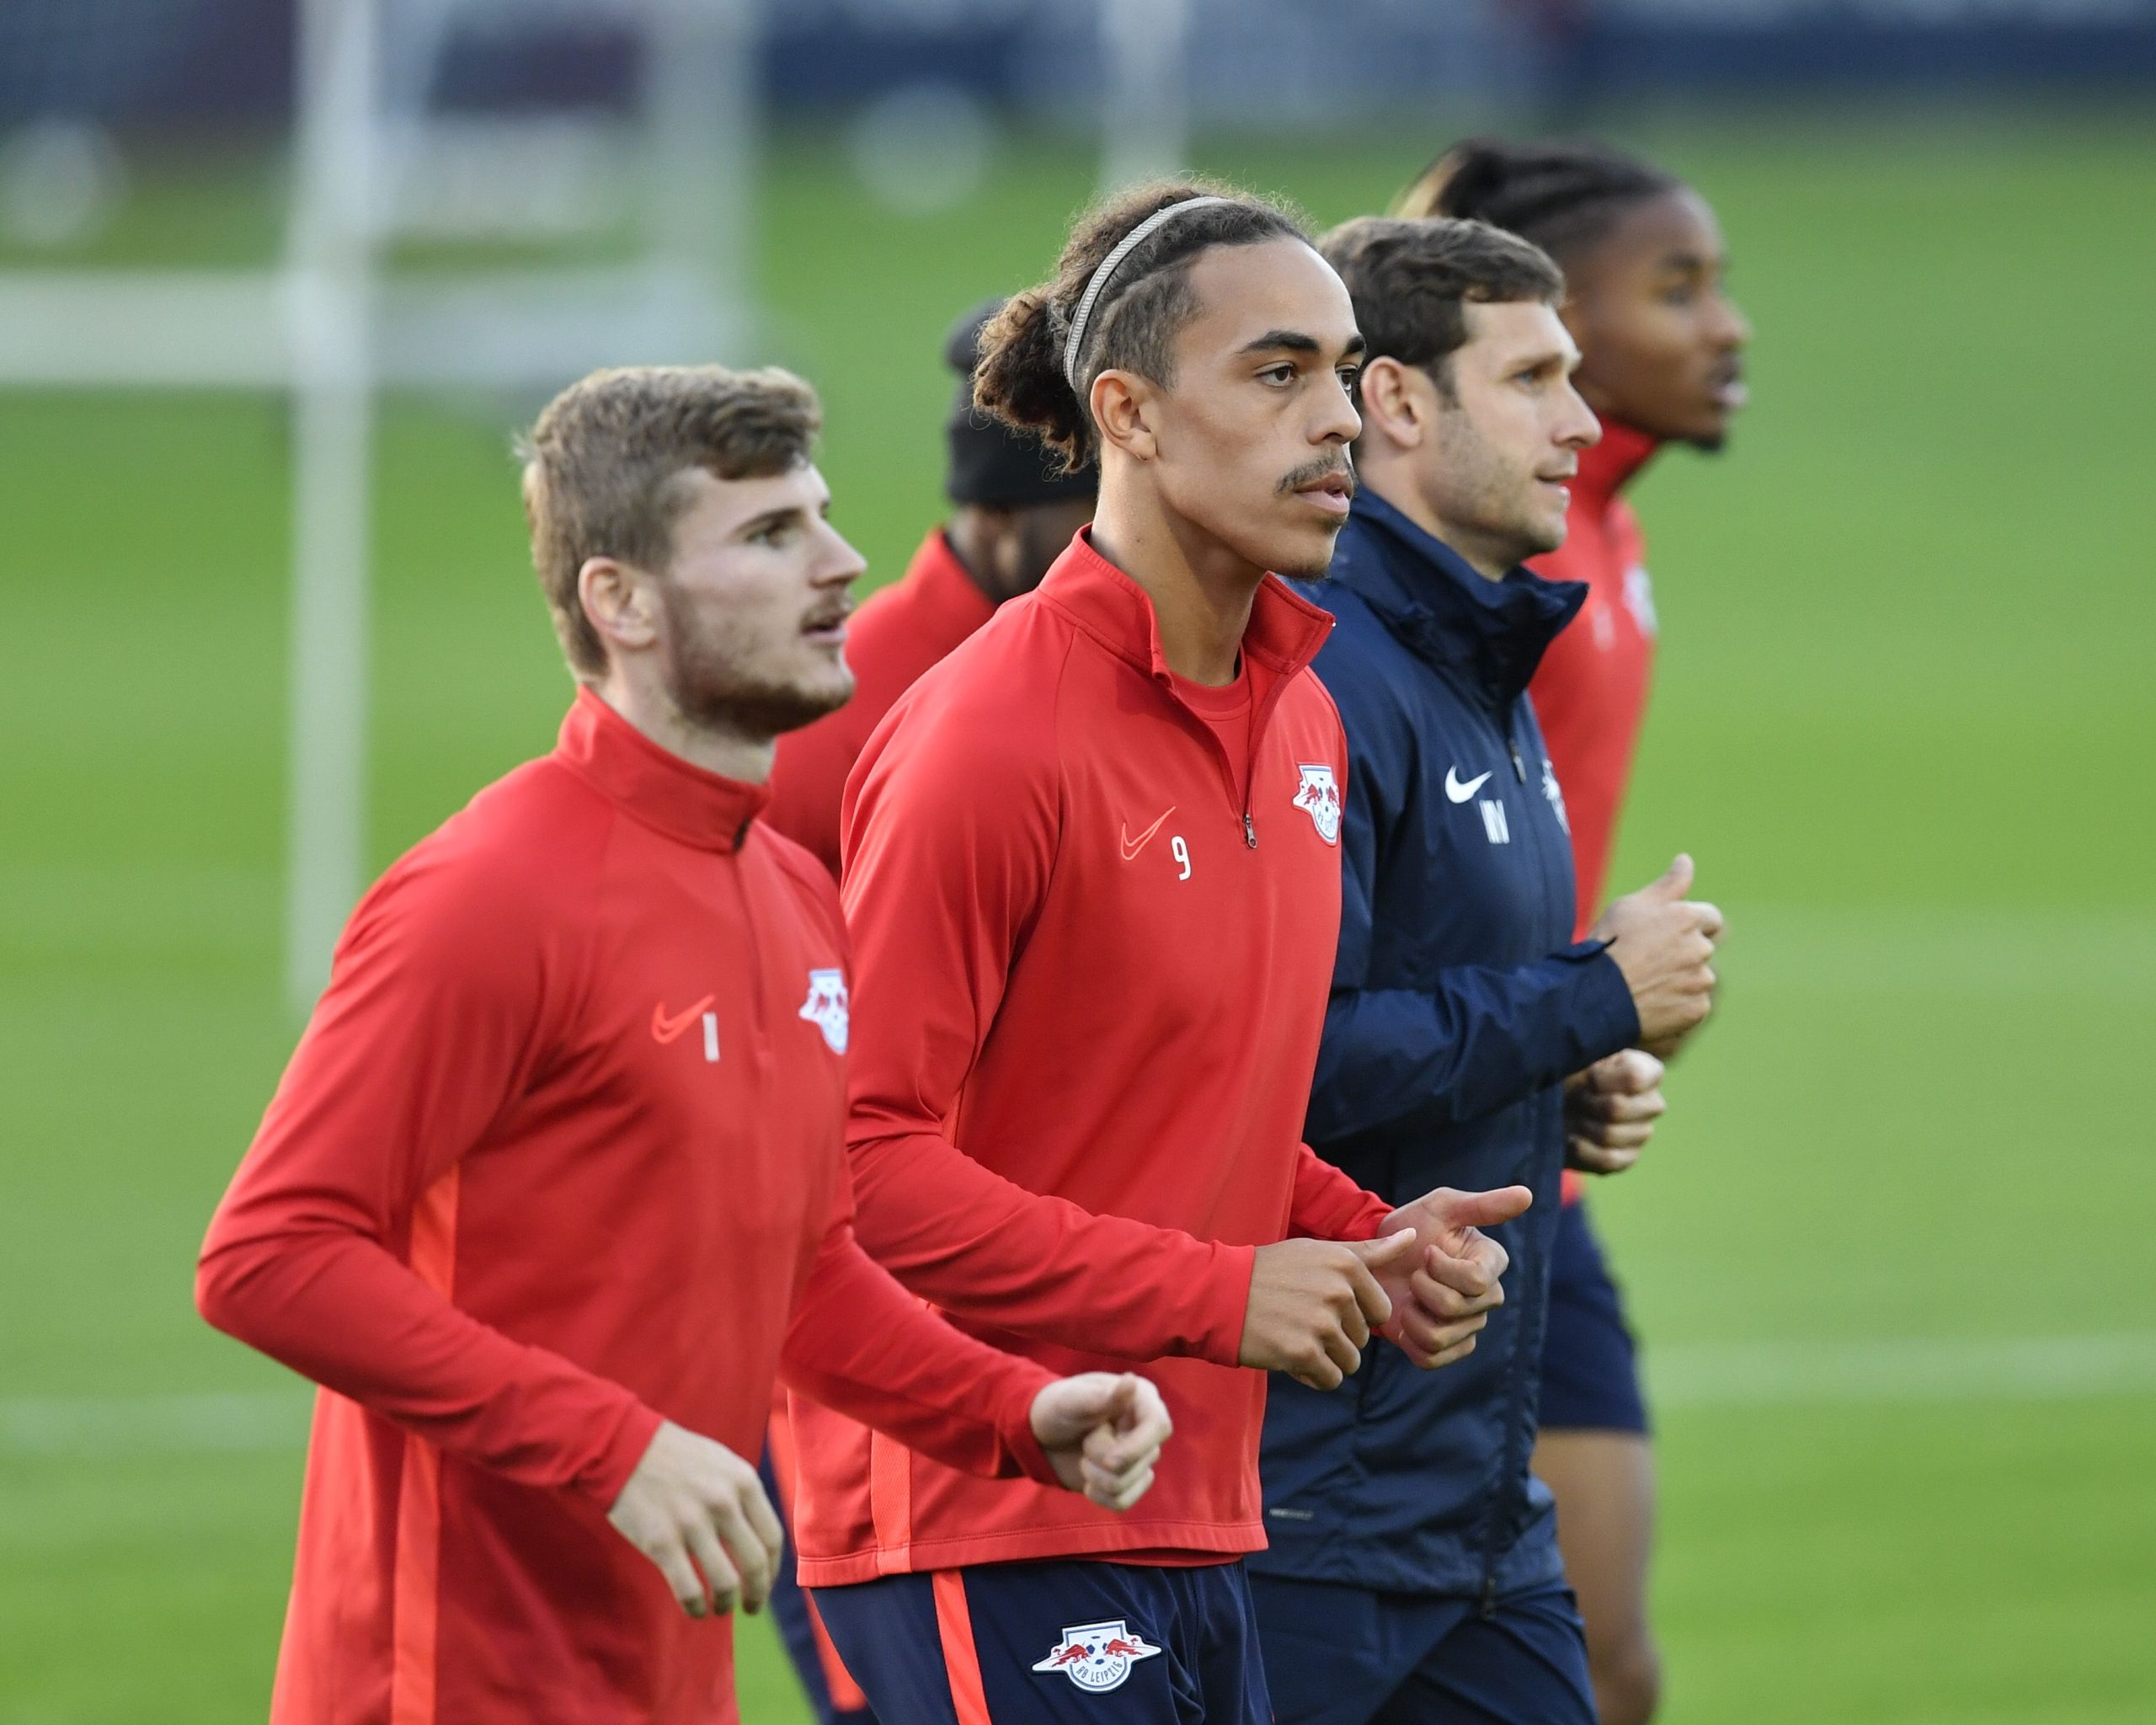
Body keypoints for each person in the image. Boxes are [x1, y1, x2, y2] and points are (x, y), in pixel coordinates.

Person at [193, 364, 1176, 1725]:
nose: (840, 565)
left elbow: (806, 1272)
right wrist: (615, 1448)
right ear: (621, 601)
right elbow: (269, 1256)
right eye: (770, 535)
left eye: (820, 519)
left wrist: (1013, 1411)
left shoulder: (789, 894)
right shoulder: (490, 892)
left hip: (665, 1668)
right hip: (443, 1683)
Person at [787, 180, 1536, 1722]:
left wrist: (1363, 1235)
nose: (1340, 420)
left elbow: (1191, 1103)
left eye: (1341, 371)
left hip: (1199, 1505)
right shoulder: (993, 735)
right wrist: (1222, 1290)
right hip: (984, 1513)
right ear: (1124, 411)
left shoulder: (1306, 713)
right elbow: (853, 1167)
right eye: (1277, 373)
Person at [1244, 213, 1723, 1725]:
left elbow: (1415, 1008)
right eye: (1533, 375)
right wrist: (1589, 998)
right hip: (1309, 1509)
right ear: (1395, 402)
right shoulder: (1325, 673)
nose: (1583, 422)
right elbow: (1279, 1064)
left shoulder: (1479, 661)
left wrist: (1557, 1076)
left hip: (1466, 1502)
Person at [1398, 138, 1753, 1725]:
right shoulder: (1478, 553)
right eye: (1674, 289)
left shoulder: (1599, 530)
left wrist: (1590, 1020)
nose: (1724, 325)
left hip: (1529, 1108)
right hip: (1412, 1162)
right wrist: (1583, 1002)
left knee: (1603, 1658)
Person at [761, 300, 1098, 1725]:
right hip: (858, 1364)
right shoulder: (826, 708)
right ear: (1007, 513)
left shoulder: (1127, 680)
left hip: (1071, 1330)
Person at [763, 297, 1097, 878]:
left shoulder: (1125, 651)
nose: (1121, 539)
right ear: (998, 514)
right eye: (1096, 510)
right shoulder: (837, 711)